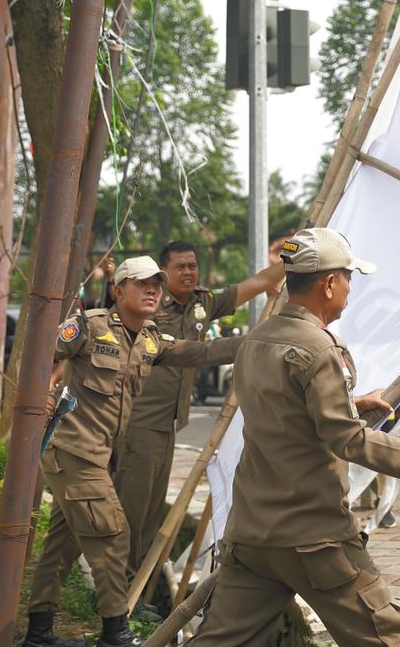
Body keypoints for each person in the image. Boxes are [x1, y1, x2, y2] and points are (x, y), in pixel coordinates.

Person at [189, 228, 400, 646]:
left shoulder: (255, 341)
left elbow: (287, 416)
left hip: (254, 534)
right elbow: (348, 441)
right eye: (349, 278)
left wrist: (351, 403)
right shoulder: (317, 349)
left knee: (222, 641)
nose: (351, 289)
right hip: (313, 537)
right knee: (383, 633)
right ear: (329, 283)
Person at [25, 256, 246, 647]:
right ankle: (115, 632)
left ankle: (38, 634)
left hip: (97, 458)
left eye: (156, 285)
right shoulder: (90, 326)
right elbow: (42, 349)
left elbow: (202, 353)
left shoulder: (149, 338)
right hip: (74, 452)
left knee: (63, 544)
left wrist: (257, 341)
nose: (152, 291)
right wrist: (39, 394)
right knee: (113, 536)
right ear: (118, 289)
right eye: (142, 283)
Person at [112, 241, 285, 594]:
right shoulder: (147, 307)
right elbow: (196, 353)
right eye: (180, 267)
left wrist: (299, 250)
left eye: (193, 265)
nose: (189, 272)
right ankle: (116, 599)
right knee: (130, 514)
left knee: (149, 517)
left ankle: (139, 594)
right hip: (137, 423)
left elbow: (260, 280)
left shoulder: (203, 303)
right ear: (164, 274)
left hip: (167, 425)